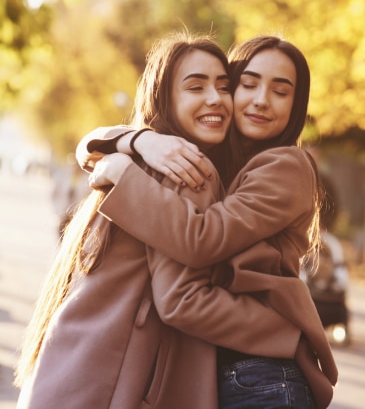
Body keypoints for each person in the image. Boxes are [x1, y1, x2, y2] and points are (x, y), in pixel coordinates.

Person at [15, 31, 307, 409]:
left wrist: (126, 152)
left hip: (68, 367)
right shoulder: (185, 170)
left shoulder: (151, 165)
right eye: (196, 87)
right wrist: (286, 329)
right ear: (164, 96)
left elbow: (197, 247)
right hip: (105, 378)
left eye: (222, 86)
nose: (216, 98)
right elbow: (184, 293)